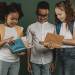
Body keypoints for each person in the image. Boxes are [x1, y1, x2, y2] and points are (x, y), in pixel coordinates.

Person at [26, 1, 55, 75]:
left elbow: (55, 48)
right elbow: (28, 46)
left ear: (48, 14)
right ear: (36, 13)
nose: (42, 18)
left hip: (48, 61)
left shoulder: (53, 28)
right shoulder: (31, 27)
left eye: (45, 15)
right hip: (34, 61)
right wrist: (28, 63)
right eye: (40, 15)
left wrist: (54, 62)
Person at [0, 2, 25, 75]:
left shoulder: (20, 29)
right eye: (12, 19)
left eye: (16, 19)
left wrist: (22, 52)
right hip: (2, 61)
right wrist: (5, 41)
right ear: (5, 16)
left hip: (15, 62)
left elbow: (22, 46)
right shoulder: (0, 28)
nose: (14, 21)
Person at [54, 0, 75, 75]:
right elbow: (56, 43)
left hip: (71, 54)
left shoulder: (74, 23)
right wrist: (51, 45)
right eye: (56, 14)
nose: (58, 17)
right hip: (60, 53)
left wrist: (60, 39)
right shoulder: (58, 26)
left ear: (67, 12)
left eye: (60, 14)